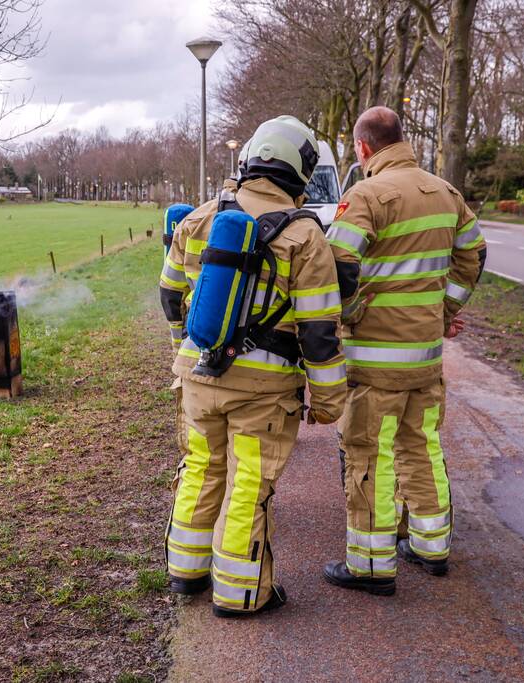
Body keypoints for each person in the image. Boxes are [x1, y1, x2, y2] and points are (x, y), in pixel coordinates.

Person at [160, 115, 347, 617]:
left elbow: (170, 292)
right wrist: (328, 399)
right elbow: (319, 330)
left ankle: (186, 570)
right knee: (248, 482)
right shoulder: (306, 236)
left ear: (249, 160)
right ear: (300, 169)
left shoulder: (200, 217)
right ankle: (242, 593)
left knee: (200, 467)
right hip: (264, 389)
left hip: (197, 377)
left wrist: (186, 349)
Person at [323, 106, 487, 595]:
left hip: (373, 357)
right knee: (423, 447)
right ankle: (431, 547)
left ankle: (371, 567)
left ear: (364, 148)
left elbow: (338, 262)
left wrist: (349, 312)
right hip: (425, 357)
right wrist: (442, 310)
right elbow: (474, 255)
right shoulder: (446, 192)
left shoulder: (366, 194)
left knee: (371, 453)